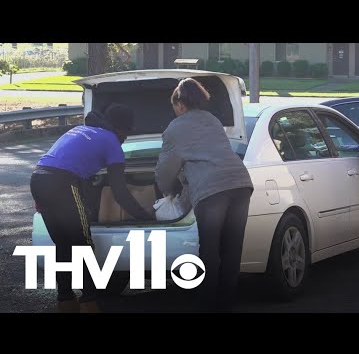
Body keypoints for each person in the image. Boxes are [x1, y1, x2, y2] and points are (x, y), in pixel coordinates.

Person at [30, 103, 155, 313]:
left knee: (63, 244)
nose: (125, 139)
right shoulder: (111, 141)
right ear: (120, 128)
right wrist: (145, 217)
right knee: (83, 244)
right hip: (62, 184)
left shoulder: (81, 130)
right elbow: (119, 191)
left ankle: (65, 301)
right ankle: (90, 302)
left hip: (38, 180)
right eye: (126, 132)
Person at [155, 78, 254, 312]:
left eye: (174, 106)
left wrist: (166, 190)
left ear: (179, 103)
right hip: (241, 184)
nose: (175, 110)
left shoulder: (175, 128)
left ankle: (207, 305)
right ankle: (226, 304)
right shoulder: (213, 120)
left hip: (211, 190)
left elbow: (166, 168)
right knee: (232, 250)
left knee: (209, 250)